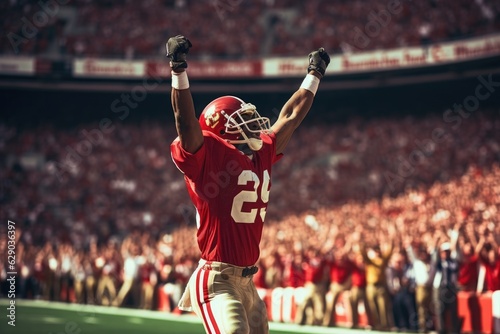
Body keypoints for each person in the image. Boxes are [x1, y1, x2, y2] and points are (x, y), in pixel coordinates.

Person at [166, 35, 330, 334]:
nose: (254, 124)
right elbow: (185, 121)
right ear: (221, 130)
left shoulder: (261, 153)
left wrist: (314, 75)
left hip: (246, 282)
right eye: (243, 120)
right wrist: (178, 69)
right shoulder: (208, 156)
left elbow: (291, 116)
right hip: (217, 281)